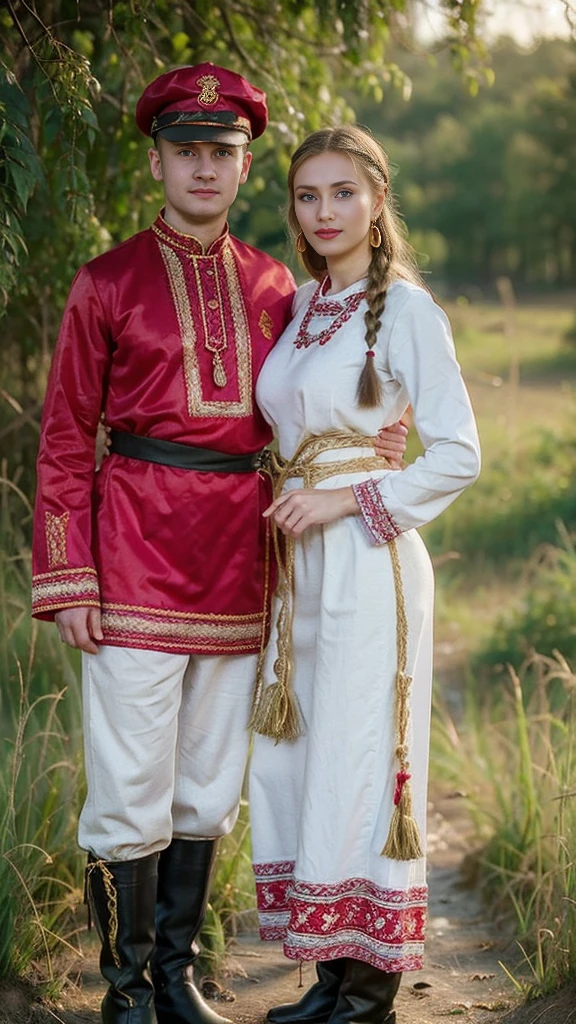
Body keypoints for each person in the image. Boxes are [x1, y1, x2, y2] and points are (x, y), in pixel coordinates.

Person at [31, 65, 405, 1024]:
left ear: (244, 168)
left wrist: (384, 440)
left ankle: (176, 977)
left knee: (205, 789)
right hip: (132, 559)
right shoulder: (105, 281)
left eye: (224, 153)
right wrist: (68, 575)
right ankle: (123, 996)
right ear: (157, 159)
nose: (205, 168)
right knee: (128, 789)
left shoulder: (277, 285)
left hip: (242, 566)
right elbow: (68, 436)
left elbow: (329, 390)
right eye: (188, 150)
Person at [248, 125, 481, 1024]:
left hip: (367, 558)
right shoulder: (306, 305)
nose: (325, 212)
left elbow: (458, 455)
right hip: (296, 560)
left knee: (358, 755)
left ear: (378, 200)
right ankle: (330, 975)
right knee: (303, 758)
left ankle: (368, 993)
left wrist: (350, 501)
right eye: (308, 196)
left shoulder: (410, 309)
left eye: (343, 192)